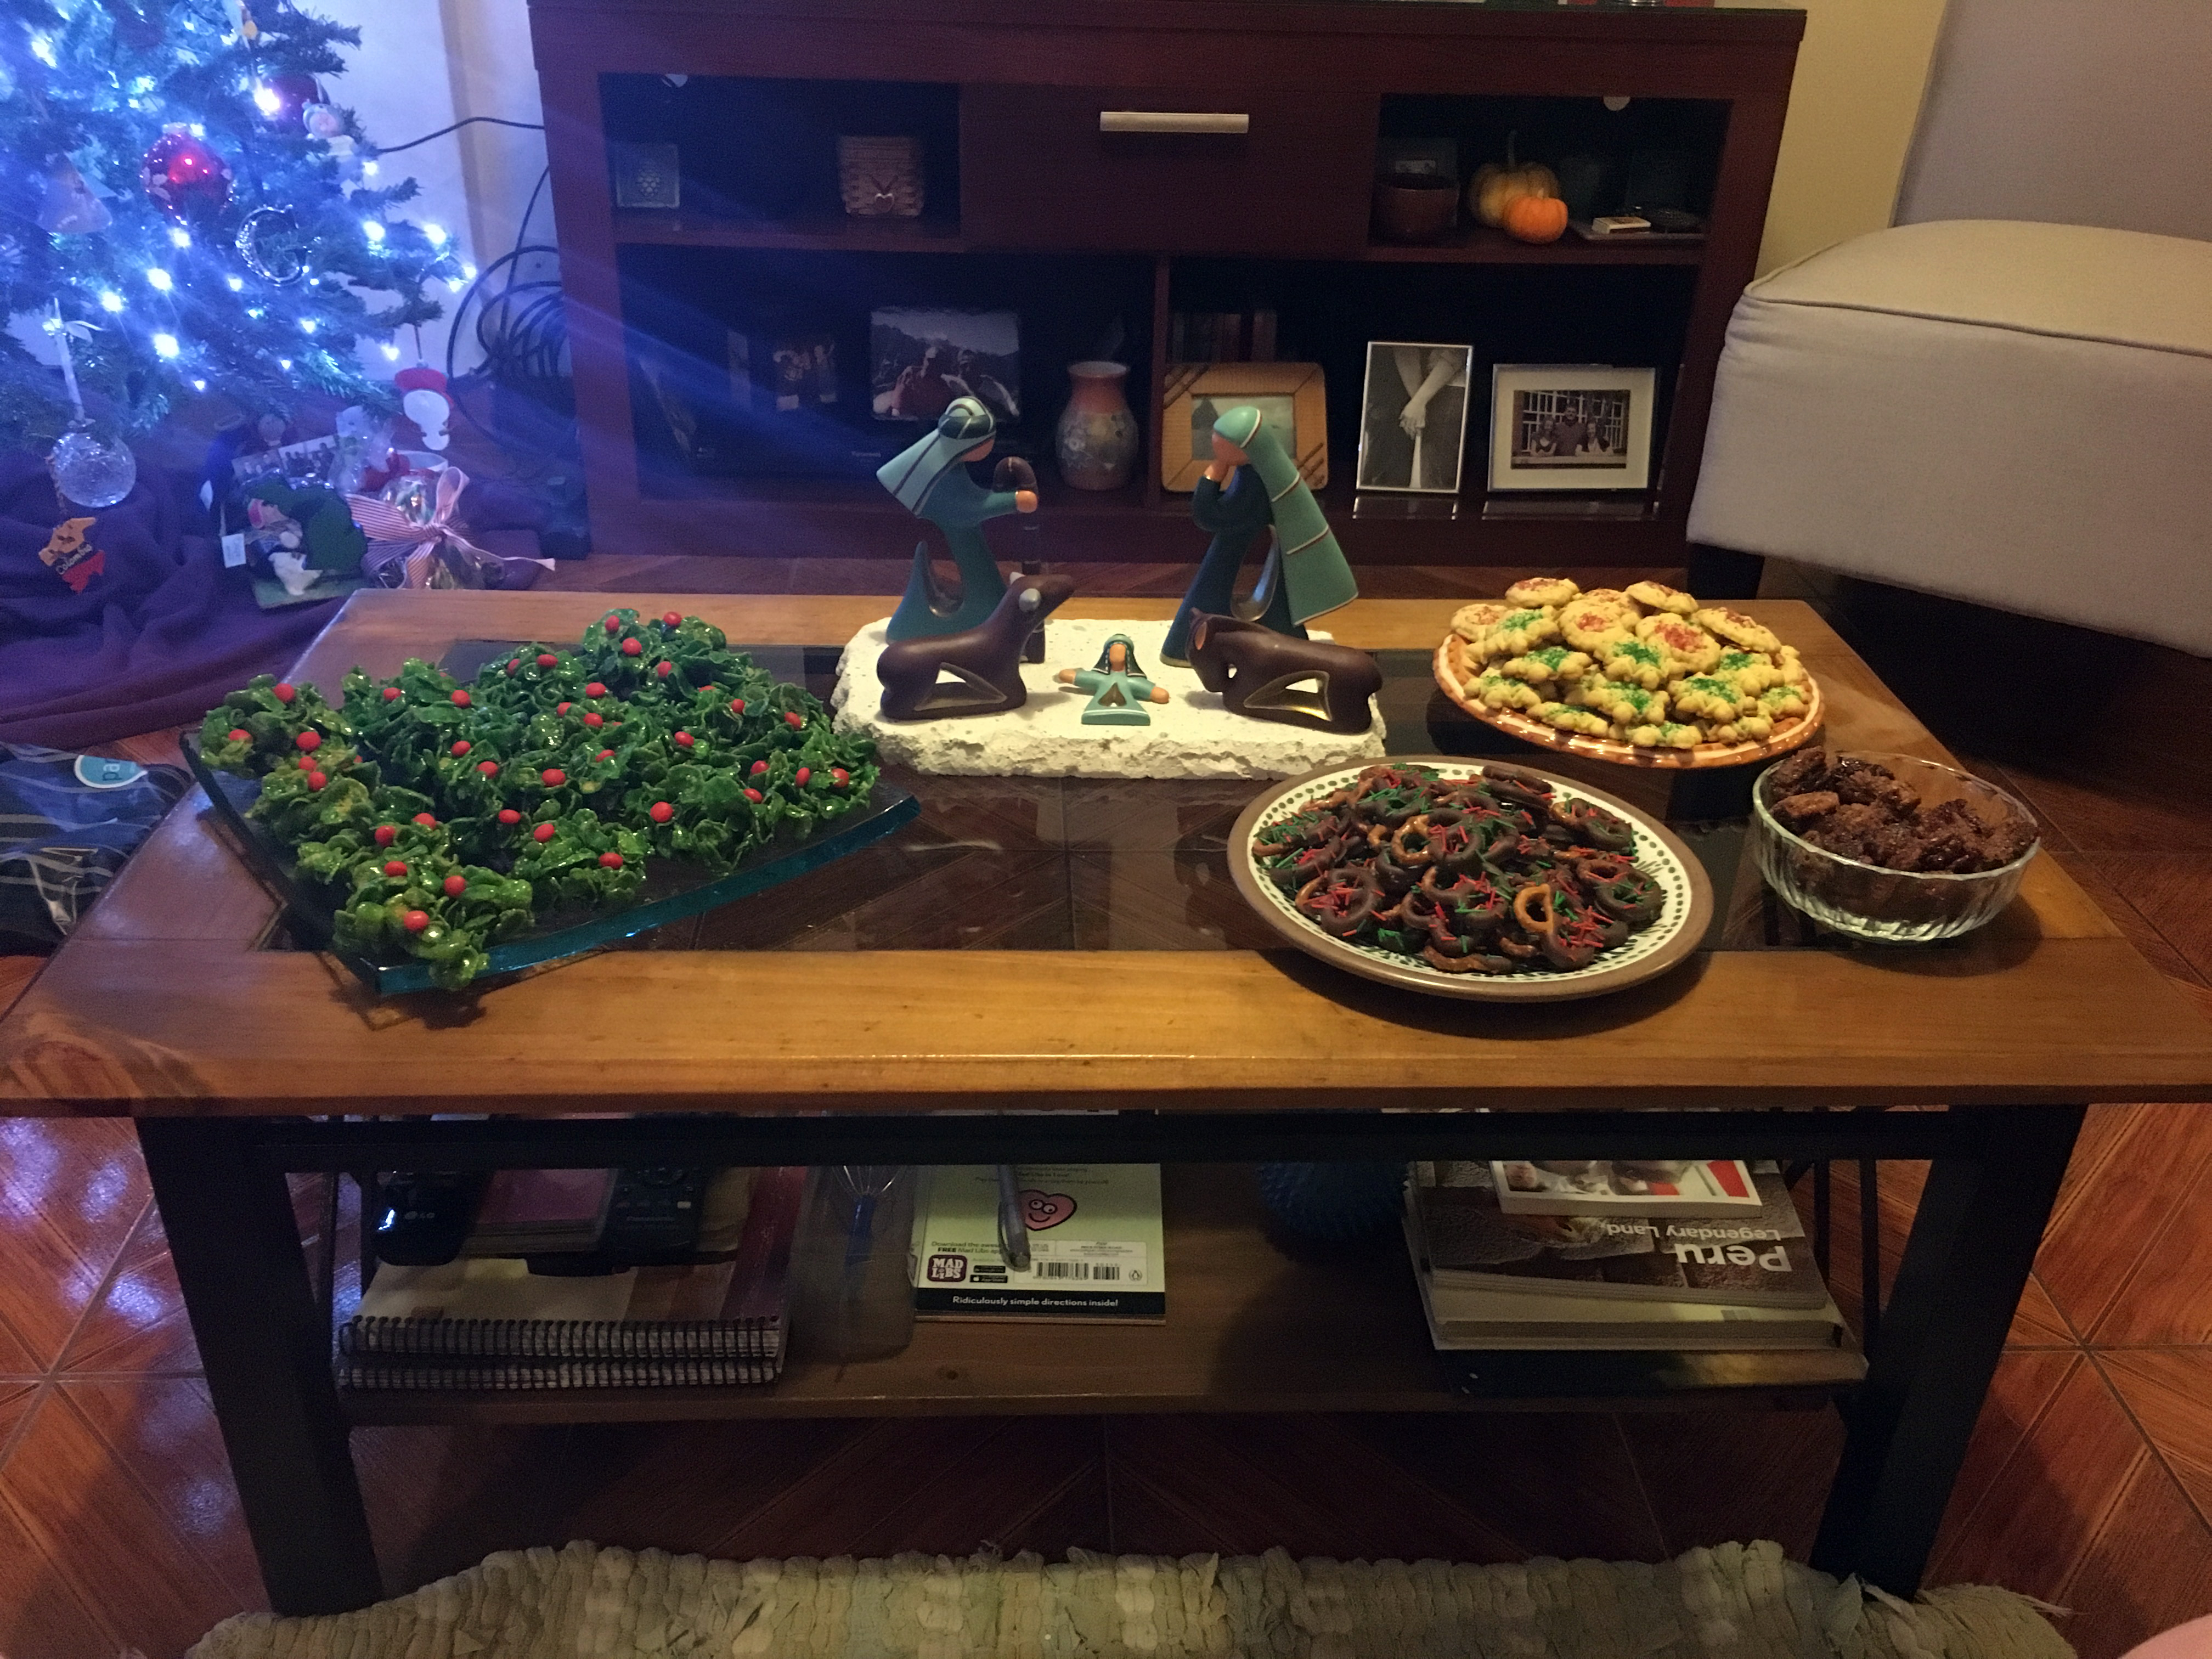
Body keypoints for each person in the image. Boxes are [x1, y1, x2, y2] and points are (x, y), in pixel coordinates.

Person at [1163, 403, 1358, 664]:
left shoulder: (1256, 485)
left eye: (1221, 441)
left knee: (1215, 577)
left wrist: (1212, 477)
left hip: (1262, 597)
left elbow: (1212, 516)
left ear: (1244, 447)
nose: (1214, 443)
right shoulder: (1257, 474)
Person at [879, 397, 1037, 641]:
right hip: (963, 534)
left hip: (967, 537)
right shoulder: (943, 478)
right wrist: (1014, 501)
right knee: (981, 578)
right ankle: (976, 619)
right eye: (987, 439)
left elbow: (971, 499)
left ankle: (987, 615)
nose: (992, 443)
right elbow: (966, 510)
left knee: (985, 579)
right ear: (967, 443)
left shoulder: (951, 468)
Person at [1057, 633, 1170, 725]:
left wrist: (1155, 692)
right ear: (1107, 654)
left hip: (1131, 709)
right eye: (1114, 651)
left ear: (1128, 656)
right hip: (1097, 709)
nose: (1117, 656)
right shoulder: (1099, 677)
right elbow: (1066, 675)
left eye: (1121, 652)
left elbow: (1162, 695)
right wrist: (1073, 675)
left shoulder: (1133, 681)